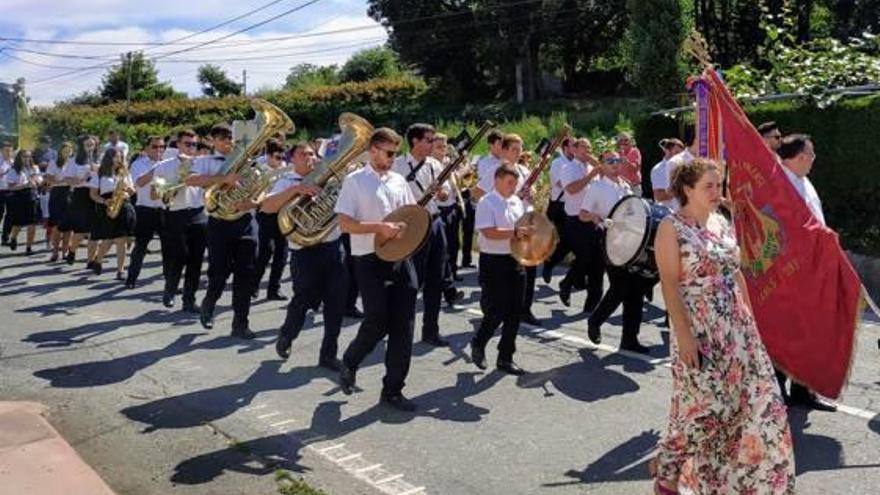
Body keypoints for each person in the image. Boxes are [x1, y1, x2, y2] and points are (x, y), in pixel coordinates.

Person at [652, 157, 795, 495]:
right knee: (703, 409)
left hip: (737, 328)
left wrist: (751, 324)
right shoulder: (670, 228)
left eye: (719, 185)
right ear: (687, 189)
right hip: (700, 328)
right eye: (709, 186)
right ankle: (668, 475)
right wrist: (684, 336)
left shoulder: (720, 221)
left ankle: (736, 484)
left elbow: (735, 273)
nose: (718, 191)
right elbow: (670, 285)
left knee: (757, 404)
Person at [335, 127, 420, 412]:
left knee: (404, 326)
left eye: (397, 153)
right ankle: (350, 360)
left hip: (400, 258)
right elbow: (344, 224)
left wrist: (409, 227)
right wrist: (378, 227)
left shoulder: (398, 180)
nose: (394, 158)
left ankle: (393, 390)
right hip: (368, 258)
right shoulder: (354, 181)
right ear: (372, 150)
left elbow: (410, 214)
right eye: (389, 153)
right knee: (377, 319)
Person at [264, 143, 347, 368]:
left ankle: (328, 355)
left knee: (336, 304)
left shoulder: (330, 180)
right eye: (304, 154)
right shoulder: (286, 181)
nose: (310, 158)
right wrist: (296, 191)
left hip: (333, 247)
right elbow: (267, 207)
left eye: (312, 154)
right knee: (303, 300)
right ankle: (287, 334)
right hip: (304, 252)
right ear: (293, 159)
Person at [774, 134, 837, 412]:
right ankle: (778, 391)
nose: (813, 159)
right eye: (811, 154)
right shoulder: (779, 182)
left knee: (805, 332)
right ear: (799, 157)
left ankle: (802, 389)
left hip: (811, 267)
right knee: (784, 330)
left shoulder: (802, 180)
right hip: (789, 270)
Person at [187, 124, 259, 338]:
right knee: (219, 273)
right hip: (219, 222)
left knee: (245, 276)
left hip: (245, 221)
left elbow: (263, 188)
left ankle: (240, 324)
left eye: (232, 138)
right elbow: (190, 180)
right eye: (223, 138)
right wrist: (223, 179)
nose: (229, 142)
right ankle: (209, 304)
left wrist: (254, 203)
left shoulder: (249, 162)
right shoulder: (204, 161)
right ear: (213, 141)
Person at [392, 123, 458, 347]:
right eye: (429, 140)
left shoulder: (434, 165)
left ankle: (431, 330)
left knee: (436, 279)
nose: (433, 144)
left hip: (435, 223)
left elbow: (446, 193)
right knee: (411, 281)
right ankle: (402, 329)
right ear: (415, 141)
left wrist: (440, 192)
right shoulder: (398, 166)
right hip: (412, 225)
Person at [583, 151, 653, 354]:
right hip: (608, 241)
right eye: (610, 161)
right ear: (602, 165)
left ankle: (630, 339)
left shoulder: (625, 185)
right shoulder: (596, 187)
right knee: (621, 286)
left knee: (636, 289)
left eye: (618, 161)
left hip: (629, 241)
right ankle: (595, 320)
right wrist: (598, 219)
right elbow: (583, 214)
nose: (615, 164)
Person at [470, 162, 533, 375]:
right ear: (497, 180)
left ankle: (505, 357)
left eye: (515, 183)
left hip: (515, 259)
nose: (513, 187)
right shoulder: (487, 202)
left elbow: (526, 226)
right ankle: (479, 342)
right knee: (496, 310)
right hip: (493, 260)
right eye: (509, 183)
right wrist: (514, 233)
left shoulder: (517, 201)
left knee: (515, 311)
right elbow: (488, 232)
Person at [155, 130, 207, 313]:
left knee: (196, 260)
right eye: (188, 144)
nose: (192, 148)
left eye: (194, 144)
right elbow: (157, 193)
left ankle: (189, 300)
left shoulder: (202, 164)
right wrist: (177, 182)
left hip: (199, 213)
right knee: (179, 256)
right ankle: (170, 289)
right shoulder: (164, 165)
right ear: (178, 145)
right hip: (176, 213)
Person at [498, 133, 541, 326]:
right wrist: (515, 193)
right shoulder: (497, 170)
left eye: (520, 148)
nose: (518, 153)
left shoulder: (524, 170)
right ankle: (499, 308)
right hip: (509, 226)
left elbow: (531, 194)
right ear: (504, 150)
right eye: (514, 149)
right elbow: (482, 194)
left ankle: (525, 309)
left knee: (530, 268)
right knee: (508, 272)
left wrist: (531, 193)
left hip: (527, 223)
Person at [557, 138, 602, 310]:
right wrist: (590, 176)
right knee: (584, 257)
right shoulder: (568, 168)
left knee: (597, 261)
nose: (587, 150)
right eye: (584, 147)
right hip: (575, 218)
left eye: (589, 147)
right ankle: (566, 283)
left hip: (592, 217)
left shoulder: (591, 167)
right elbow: (571, 189)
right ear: (574, 150)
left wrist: (595, 166)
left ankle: (592, 303)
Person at [126, 135, 169, 289]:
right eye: (155, 147)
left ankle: (170, 282)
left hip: (165, 209)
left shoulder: (168, 163)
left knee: (168, 247)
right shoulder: (138, 164)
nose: (159, 150)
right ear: (146, 149)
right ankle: (131, 278)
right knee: (141, 246)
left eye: (162, 147)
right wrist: (156, 170)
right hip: (145, 209)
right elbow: (138, 182)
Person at [252, 139, 291, 301]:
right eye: (276, 157)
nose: (279, 160)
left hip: (283, 213)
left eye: (282, 157)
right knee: (265, 251)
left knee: (282, 253)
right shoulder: (259, 170)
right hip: (265, 213)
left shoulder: (287, 170)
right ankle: (253, 285)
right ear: (268, 156)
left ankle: (274, 289)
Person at [88, 148, 135, 278]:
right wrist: (104, 201)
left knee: (121, 240)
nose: (118, 159)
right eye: (116, 156)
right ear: (109, 157)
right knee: (108, 239)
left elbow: (132, 190)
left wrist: (128, 191)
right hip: (107, 206)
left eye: (120, 157)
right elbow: (93, 194)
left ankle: (120, 270)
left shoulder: (124, 173)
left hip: (123, 205)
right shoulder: (99, 173)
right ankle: (98, 259)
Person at [542, 136, 575, 283]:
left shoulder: (577, 164)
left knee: (569, 240)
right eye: (573, 146)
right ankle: (546, 261)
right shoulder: (557, 163)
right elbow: (561, 184)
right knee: (554, 237)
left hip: (572, 205)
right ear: (566, 148)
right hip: (558, 204)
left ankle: (551, 263)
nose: (575, 149)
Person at [431, 133, 464, 283]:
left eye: (444, 146)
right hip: (438, 209)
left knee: (454, 243)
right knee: (440, 246)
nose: (442, 150)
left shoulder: (448, 162)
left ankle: (453, 271)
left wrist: (459, 173)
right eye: (439, 147)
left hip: (452, 206)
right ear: (431, 148)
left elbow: (458, 183)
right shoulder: (429, 164)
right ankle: (441, 277)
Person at [64, 136, 99, 266]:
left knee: (95, 230)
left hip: (96, 193)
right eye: (87, 145)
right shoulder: (74, 161)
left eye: (92, 145)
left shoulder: (98, 159)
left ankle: (91, 260)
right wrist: (78, 180)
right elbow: (67, 179)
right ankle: (72, 251)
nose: (90, 147)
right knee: (81, 229)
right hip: (81, 194)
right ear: (82, 146)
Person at [5, 149, 42, 254]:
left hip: (33, 197)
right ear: (19, 158)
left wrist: (37, 181)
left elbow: (40, 180)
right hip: (19, 197)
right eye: (24, 156)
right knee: (18, 224)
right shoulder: (13, 170)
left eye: (28, 156)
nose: (27, 159)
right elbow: (11, 187)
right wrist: (25, 185)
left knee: (33, 224)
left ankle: (29, 247)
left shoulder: (34, 168)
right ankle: (13, 238)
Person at [45, 141, 74, 261]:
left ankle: (65, 251)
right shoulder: (53, 163)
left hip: (70, 193)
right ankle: (55, 251)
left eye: (69, 151)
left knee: (68, 226)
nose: (67, 153)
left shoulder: (74, 163)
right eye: (65, 150)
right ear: (60, 151)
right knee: (57, 225)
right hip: (57, 194)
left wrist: (68, 181)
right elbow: (49, 179)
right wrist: (64, 181)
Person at [650, 138, 685, 211]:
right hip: (666, 212)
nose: (680, 156)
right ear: (667, 151)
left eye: (681, 153)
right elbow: (659, 196)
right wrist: (682, 191)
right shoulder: (658, 169)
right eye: (677, 152)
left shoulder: (684, 167)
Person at [472, 128, 505, 201]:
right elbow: (482, 186)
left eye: (503, 144)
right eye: (499, 144)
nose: (503, 147)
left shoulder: (506, 161)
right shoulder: (483, 162)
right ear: (491, 145)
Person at [616, 132, 643, 196]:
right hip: (621, 187)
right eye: (621, 140)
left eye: (626, 140)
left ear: (630, 141)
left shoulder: (635, 151)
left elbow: (635, 169)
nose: (623, 142)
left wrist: (624, 158)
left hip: (634, 187)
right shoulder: (616, 154)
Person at [1, 141, 16, 245]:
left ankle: (5, 236)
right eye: (6, 150)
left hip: (10, 190)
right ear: (1, 150)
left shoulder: (13, 161)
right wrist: (8, 169)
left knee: (11, 214)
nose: (8, 152)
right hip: (0, 190)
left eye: (10, 150)